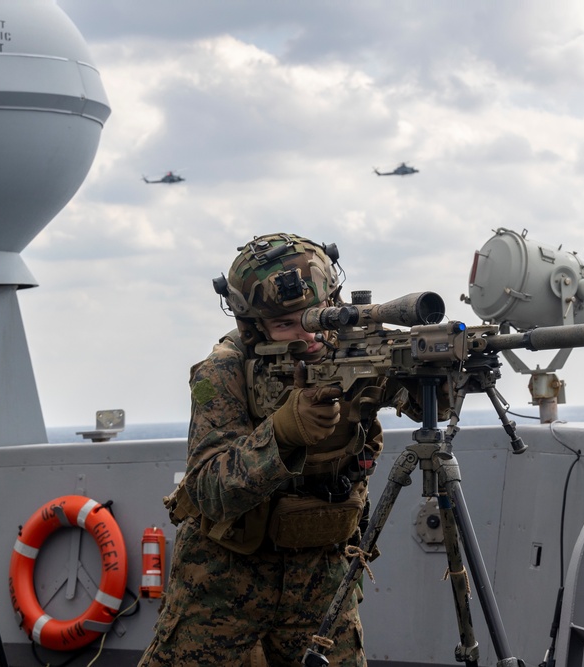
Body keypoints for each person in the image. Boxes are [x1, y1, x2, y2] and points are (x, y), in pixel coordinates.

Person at [139, 232, 425, 666]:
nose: (308, 336)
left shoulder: (353, 351)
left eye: (317, 317)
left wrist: (429, 381)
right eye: (286, 324)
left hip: (321, 579)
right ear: (255, 328)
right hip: (223, 582)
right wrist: (282, 433)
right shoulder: (221, 372)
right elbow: (205, 491)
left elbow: (413, 402)